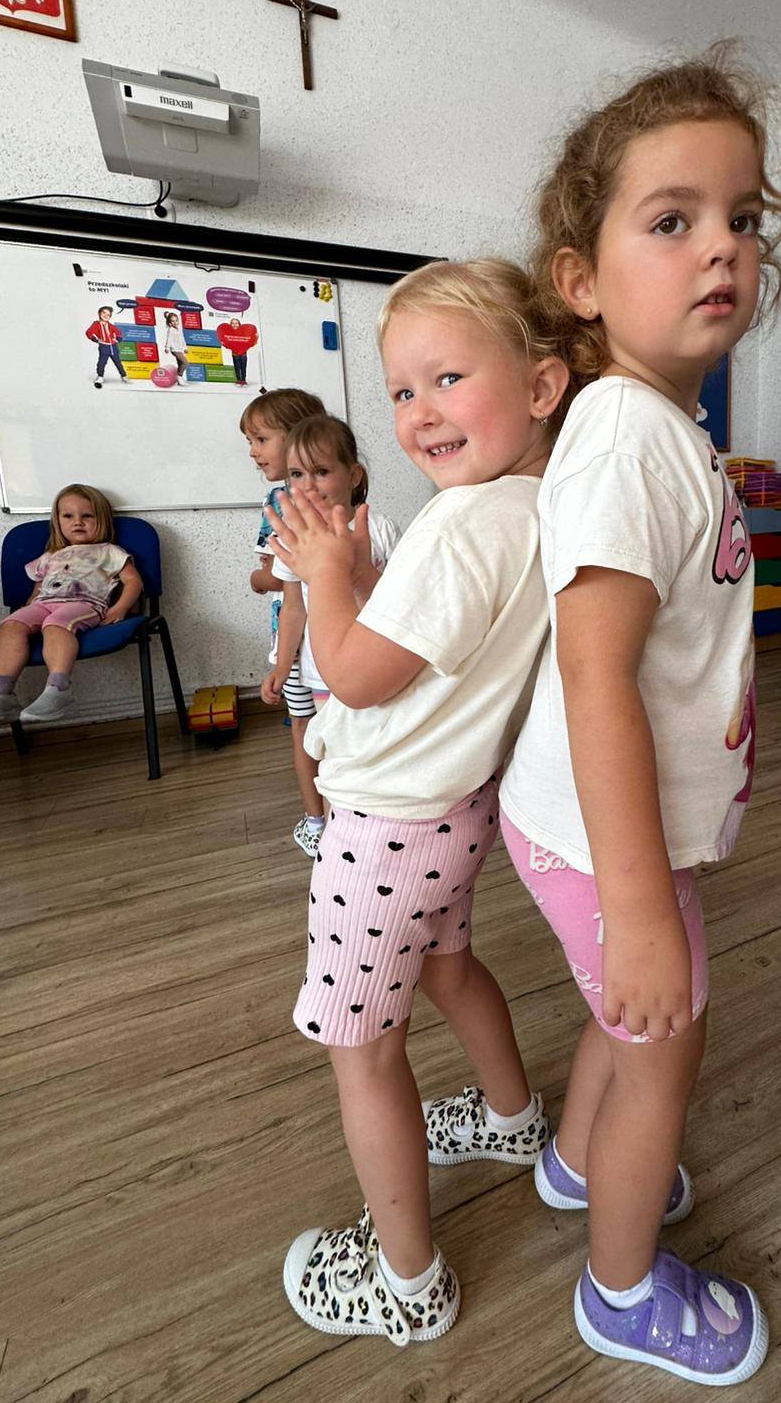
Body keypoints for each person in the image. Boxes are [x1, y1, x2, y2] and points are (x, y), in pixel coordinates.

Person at [498, 44, 781, 1386]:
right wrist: (635, 903)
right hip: (600, 842)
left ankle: (580, 1161)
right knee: (663, 1043)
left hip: (597, 828)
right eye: (671, 221)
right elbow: (594, 673)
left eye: (744, 217)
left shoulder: (662, 428)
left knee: (627, 1017)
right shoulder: (624, 434)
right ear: (582, 280)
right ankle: (622, 1290)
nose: (720, 246)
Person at [269, 258, 568, 1348]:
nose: (421, 411)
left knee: (364, 1049)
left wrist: (321, 576)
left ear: (542, 386)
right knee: (449, 967)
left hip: (384, 828)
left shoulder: (461, 523)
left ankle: (406, 1282)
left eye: (448, 378)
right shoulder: (530, 508)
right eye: (402, 390)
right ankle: (511, 1117)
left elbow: (353, 675)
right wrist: (356, 574)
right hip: (450, 813)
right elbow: (430, 650)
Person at [261, 414, 400, 832]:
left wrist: (359, 573)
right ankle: (334, 830)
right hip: (322, 671)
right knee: (332, 755)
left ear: (352, 475)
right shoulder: (293, 537)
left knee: (375, 749)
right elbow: (293, 609)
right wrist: (282, 666)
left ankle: (376, 827)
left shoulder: (379, 528)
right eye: (296, 474)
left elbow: (398, 603)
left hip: (375, 666)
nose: (307, 486)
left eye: (321, 471)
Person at [0, 483, 140, 727]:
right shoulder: (51, 554)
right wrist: (29, 608)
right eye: (68, 516)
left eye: (87, 516)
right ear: (57, 521)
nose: (77, 522)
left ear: (101, 519)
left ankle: (58, 690)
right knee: (12, 624)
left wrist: (120, 607)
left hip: (84, 603)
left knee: (56, 623)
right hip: (45, 603)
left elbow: (133, 581)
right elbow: (39, 586)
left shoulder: (109, 551)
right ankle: (0, 695)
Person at [241, 387, 329, 855]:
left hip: (320, 642)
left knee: (316, 727)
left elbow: (274, 574)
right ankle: (319, 819)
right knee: (308, 726)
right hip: (298, 641)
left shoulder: (288, 500)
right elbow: (277, 573)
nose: (253, 452)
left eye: (261, 439)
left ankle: (326, 819)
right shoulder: (283, 500)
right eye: (250, 442)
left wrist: (261, 579)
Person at [85, 305, 127, 388]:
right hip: (104, 347)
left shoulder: (110, 325)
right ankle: (100, 376)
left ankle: (124, 376)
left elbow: (118, 332)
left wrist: (118, 339)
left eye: (108, 314)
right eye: (104, 313)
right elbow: (88, 332)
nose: (106, 315)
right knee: (101, 363)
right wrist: (96, 340)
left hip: (113, 347)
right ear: (99, 313)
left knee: (118, 363)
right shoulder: (96, 324)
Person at [217, 315, 259, 385]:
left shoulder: (244, 333)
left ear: (239, 324)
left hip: (243, 354)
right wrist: (222, 341)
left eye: (236, 323)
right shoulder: (228, 333)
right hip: (235, 354)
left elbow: (252, 343)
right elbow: (225, 343)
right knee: (236, 367)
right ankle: (238, 380)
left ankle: (243, 380)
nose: (234, 324)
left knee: (243, 367)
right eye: (233, 323)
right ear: (230, 325)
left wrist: (256, 337)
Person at [162, 310, 188, 385]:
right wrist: (167, 347)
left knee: (180, 364)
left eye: (176, 320)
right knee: (185, 362)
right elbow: (169, 339)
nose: (175, 322)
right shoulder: (171, 330)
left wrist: (185, 348)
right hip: (174, 349)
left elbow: (182, 339)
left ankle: (179, 380)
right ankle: (179, 377)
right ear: (170, 323)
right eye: (173, 321)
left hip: (180, 349)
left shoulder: (179, 330)